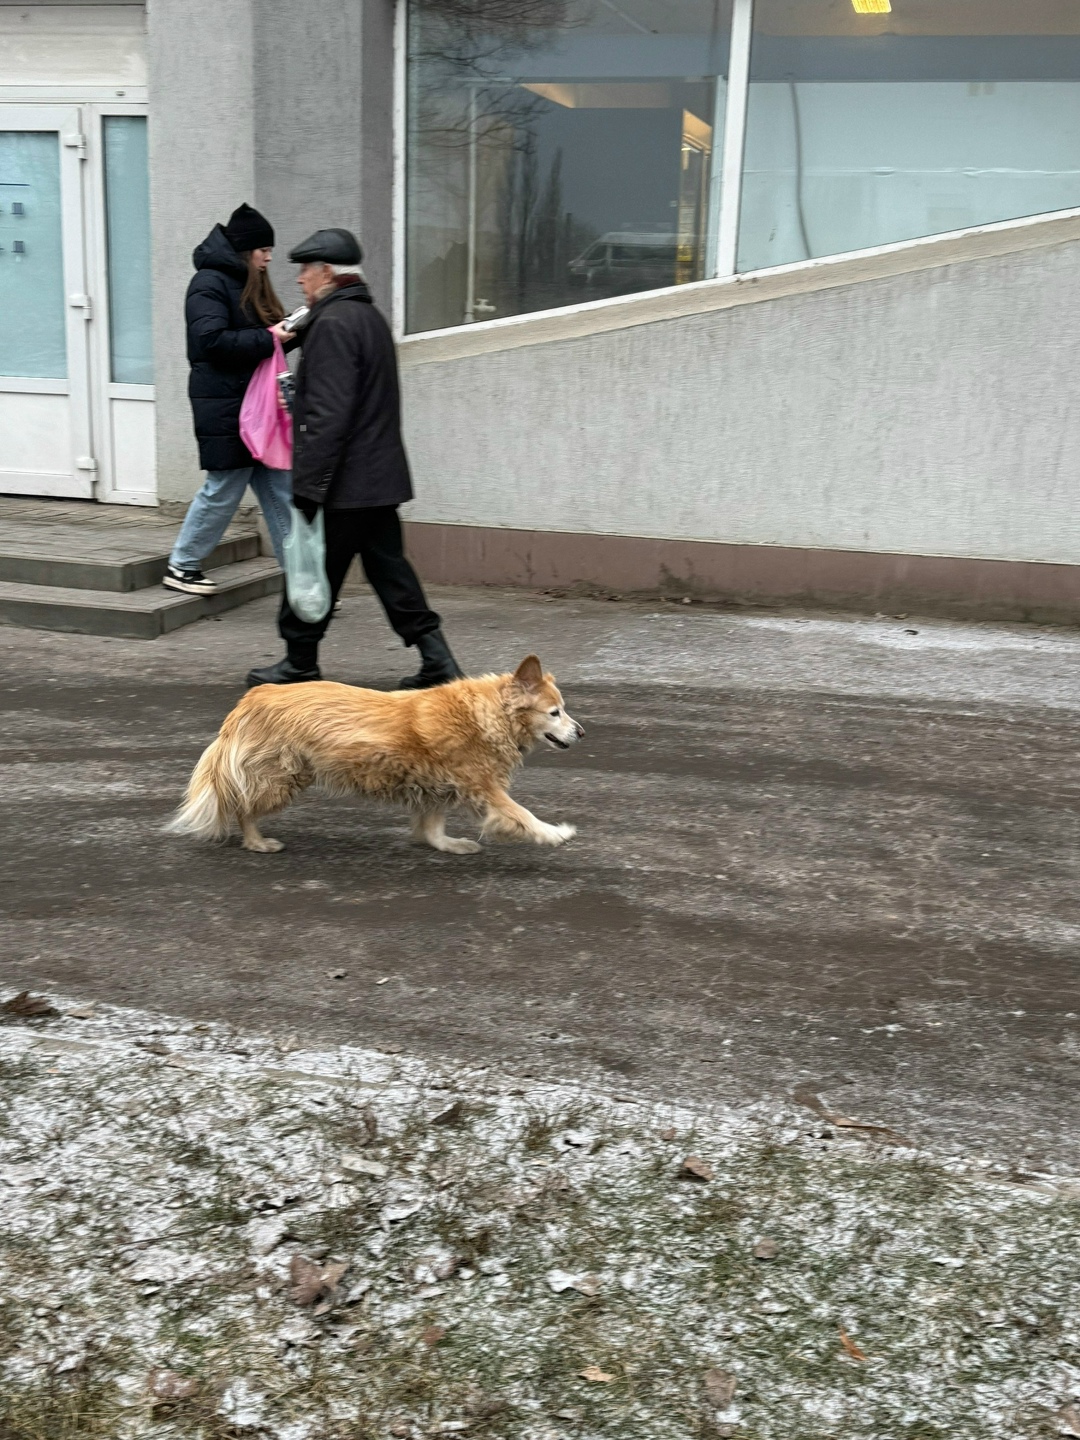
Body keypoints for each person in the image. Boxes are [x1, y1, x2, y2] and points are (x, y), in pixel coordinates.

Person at [245, 227, 463, 691]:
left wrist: (308, 486)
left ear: (326, 272)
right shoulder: (368, 317)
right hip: (376, 480)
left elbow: (329, 415)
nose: (299, 280)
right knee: (390, 572)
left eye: (305, 270)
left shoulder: (333, 324)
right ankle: (438, 660)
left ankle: (299, 662)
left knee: (312, 568)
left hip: (343, 484)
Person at [163, 203, 293, 595]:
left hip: (255, 406)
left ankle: (302, 580)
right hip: (226, 406)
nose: (269, 257)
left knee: (282, 492)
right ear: (245, 249)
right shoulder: (208, 283)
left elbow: (258, 342)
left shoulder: (245, 282)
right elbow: (211, 341)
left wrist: (292, 330)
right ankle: (182, 565)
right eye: (264, 250)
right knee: (224, 488)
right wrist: (271, 337)